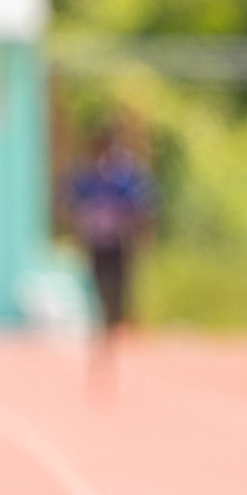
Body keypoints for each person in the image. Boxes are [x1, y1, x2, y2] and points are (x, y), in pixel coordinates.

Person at [67, 125, 154, 365]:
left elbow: (143, 205)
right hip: (97, 245)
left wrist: (138, 231)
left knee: (121, 289)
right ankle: (104, 330)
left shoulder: (125, 176)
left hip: (120, 244)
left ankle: (115, 327)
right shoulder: (86, 176)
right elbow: (72, 204)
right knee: (99, 288)